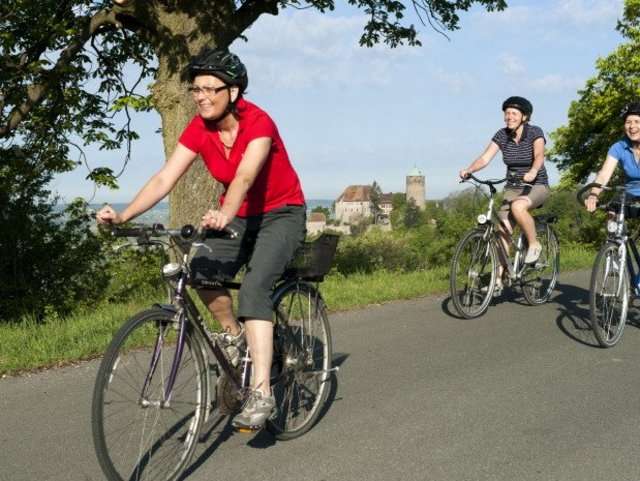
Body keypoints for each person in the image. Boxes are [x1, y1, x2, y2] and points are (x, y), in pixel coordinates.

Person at [96, 49, 307, 429]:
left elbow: (244, 176)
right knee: (201, 271)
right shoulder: (198, 128)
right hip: (238, 215)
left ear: (234, 91)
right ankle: (234, 335)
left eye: (211, 88)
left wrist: (225, 212)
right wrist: (124, 215)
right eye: (196, 89)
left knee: (256, 287)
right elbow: (165, 178)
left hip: (281, 213)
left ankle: (262, 392)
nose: (202, 96)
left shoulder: (260, 123)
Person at [459, 96, 550, 294]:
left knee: (518, 207)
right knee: (502, 230)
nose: (509, 117)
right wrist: (469, 169)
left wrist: (533, 171)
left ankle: (534, 244)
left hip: (536, 185)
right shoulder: (502, 135)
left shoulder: (535, 132)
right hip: (513, 186)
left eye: (514, 113)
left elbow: (539, 156)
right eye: (507, 113)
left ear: (524, 116)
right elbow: (485, 157)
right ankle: (498, 280)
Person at [584, 100, 640, 215]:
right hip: (630, 196)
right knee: (611, 212)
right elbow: (603, 176)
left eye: (636, 121)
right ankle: (614, 233)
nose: (632, 126)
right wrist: (593, 195)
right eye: (628, 122)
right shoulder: (618, 147)